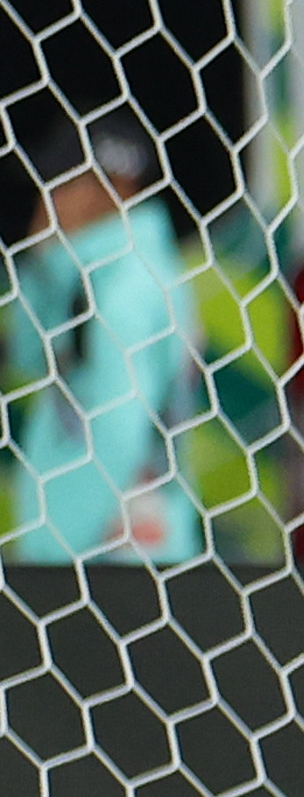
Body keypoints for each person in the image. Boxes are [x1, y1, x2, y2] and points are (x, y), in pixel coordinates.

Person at [4, 112, 202, 563]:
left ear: (109, 187)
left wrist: (57, 548)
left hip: (103, 554)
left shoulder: (123, 290)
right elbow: (31, 362)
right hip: (121, 547)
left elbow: (118, 425)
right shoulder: (102, 276)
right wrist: (41, 268)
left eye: (59, 183)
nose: (45, 199)